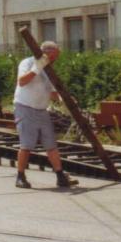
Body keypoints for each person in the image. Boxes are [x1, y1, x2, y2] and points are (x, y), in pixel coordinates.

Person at [13, 41, 78, 189]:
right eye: (53, 57)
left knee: (51, 144)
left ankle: (60, 176)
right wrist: (37, 68)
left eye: (56, 57)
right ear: (45, 53)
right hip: (25, 107)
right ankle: (20, 177)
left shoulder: (49, 69)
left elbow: (52, 93)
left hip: (42, 110)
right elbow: (22, 81)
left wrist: (63, 98)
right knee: (26, 145)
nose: (55, 60)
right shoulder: (27, 63)